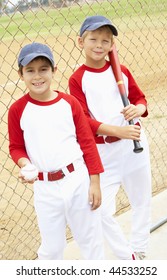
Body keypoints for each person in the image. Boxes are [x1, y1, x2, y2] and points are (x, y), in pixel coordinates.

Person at [8, 42, 105, 260]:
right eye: (30, 70)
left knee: (90, 240)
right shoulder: (18, 110)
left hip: (77, 180)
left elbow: (87, 143)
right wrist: (24, 163)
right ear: (21, 74)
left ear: (54, 70)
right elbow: (16, 147)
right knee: (52, 249)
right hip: (45, 188)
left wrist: (95, 182)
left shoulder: (69, 103)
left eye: (43, 69)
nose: (37, 76)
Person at [69, 15, 152, 260]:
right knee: (100, 209)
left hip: (135, 144)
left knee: (141, 200)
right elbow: (84, 121)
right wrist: (118, 131)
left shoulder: (121, 71)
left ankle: (139, 249)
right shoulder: (78, 79)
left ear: (112, 45)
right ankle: (127, 256)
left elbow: (141, 100)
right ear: (80, 42)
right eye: (93, 39)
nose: (99, 45)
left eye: (106, 41)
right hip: (104, 152)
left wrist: (138, 109)